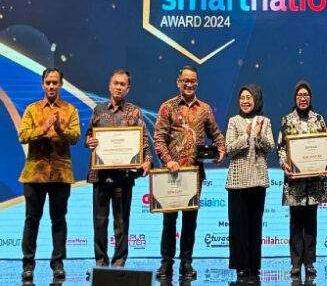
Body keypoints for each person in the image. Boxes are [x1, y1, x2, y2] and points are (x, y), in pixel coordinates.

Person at [153, 66, 226, 281]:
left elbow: (216, 135)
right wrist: (169, 160)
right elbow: (159, 138)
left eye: (192, 81)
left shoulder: (204, 109)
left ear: (197, 83)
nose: (189, 84)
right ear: (178, 82)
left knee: (190, 221)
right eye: (185, 80)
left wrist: (221, 150)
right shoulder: (167, 107)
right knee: (169, 221)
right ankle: (166, 263)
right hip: (171, 173)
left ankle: (186, 262)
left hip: (194, 175)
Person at [18, 67, 80, 283]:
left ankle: (58, 264)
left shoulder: (70, 110)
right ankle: (28, 265)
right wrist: (43, 129)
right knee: (31, 220)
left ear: (61, 85)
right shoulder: (32, 109)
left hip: (61, 174)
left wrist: (60, 129)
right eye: (48, 82)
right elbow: (23, 136)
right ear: (43, 84)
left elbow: (75, 137)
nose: (51, 86)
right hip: (34, 174)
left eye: (55, 82)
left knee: (59, 220)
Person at [85, 69, 152, 268]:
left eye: (123, 84)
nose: (119, 87)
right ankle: (101, 262)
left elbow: (143, 142)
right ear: (109, 86)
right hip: (100, 175)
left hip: (124, 177)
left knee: (121, 222)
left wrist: (148, 160)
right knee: (100, 221)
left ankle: (119, 262)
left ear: (128, 88)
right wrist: (89, 141)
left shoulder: (134, 112)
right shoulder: (98, 110)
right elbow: (89, 136)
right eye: (116, 83)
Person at [278, 81, 327, 280]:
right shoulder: (287, 120)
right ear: (295, 98)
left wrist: (326, 163)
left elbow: (325, 145)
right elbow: (281, 148)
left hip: (314, 182)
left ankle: (309, 263)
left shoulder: (319, 119)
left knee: (310, 223)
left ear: (310, 98)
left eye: (306, 95)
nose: (303, 98)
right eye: (300, 95)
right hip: (295, 182)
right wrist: (284, 164)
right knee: (295, 223)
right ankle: (295, 263)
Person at [226, 84, 274, 283]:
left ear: (256, 100)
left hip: (257, 181)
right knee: (238, 226)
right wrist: (246, 135)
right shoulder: (233, 121)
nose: (245, 101)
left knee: (255, 226)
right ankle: (240, 267)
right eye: (242, 97)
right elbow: (229, 148)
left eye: (249, 97)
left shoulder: (265, 121)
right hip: (237, 182)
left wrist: (259, 135)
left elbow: (270, 147)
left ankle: (254, 267)